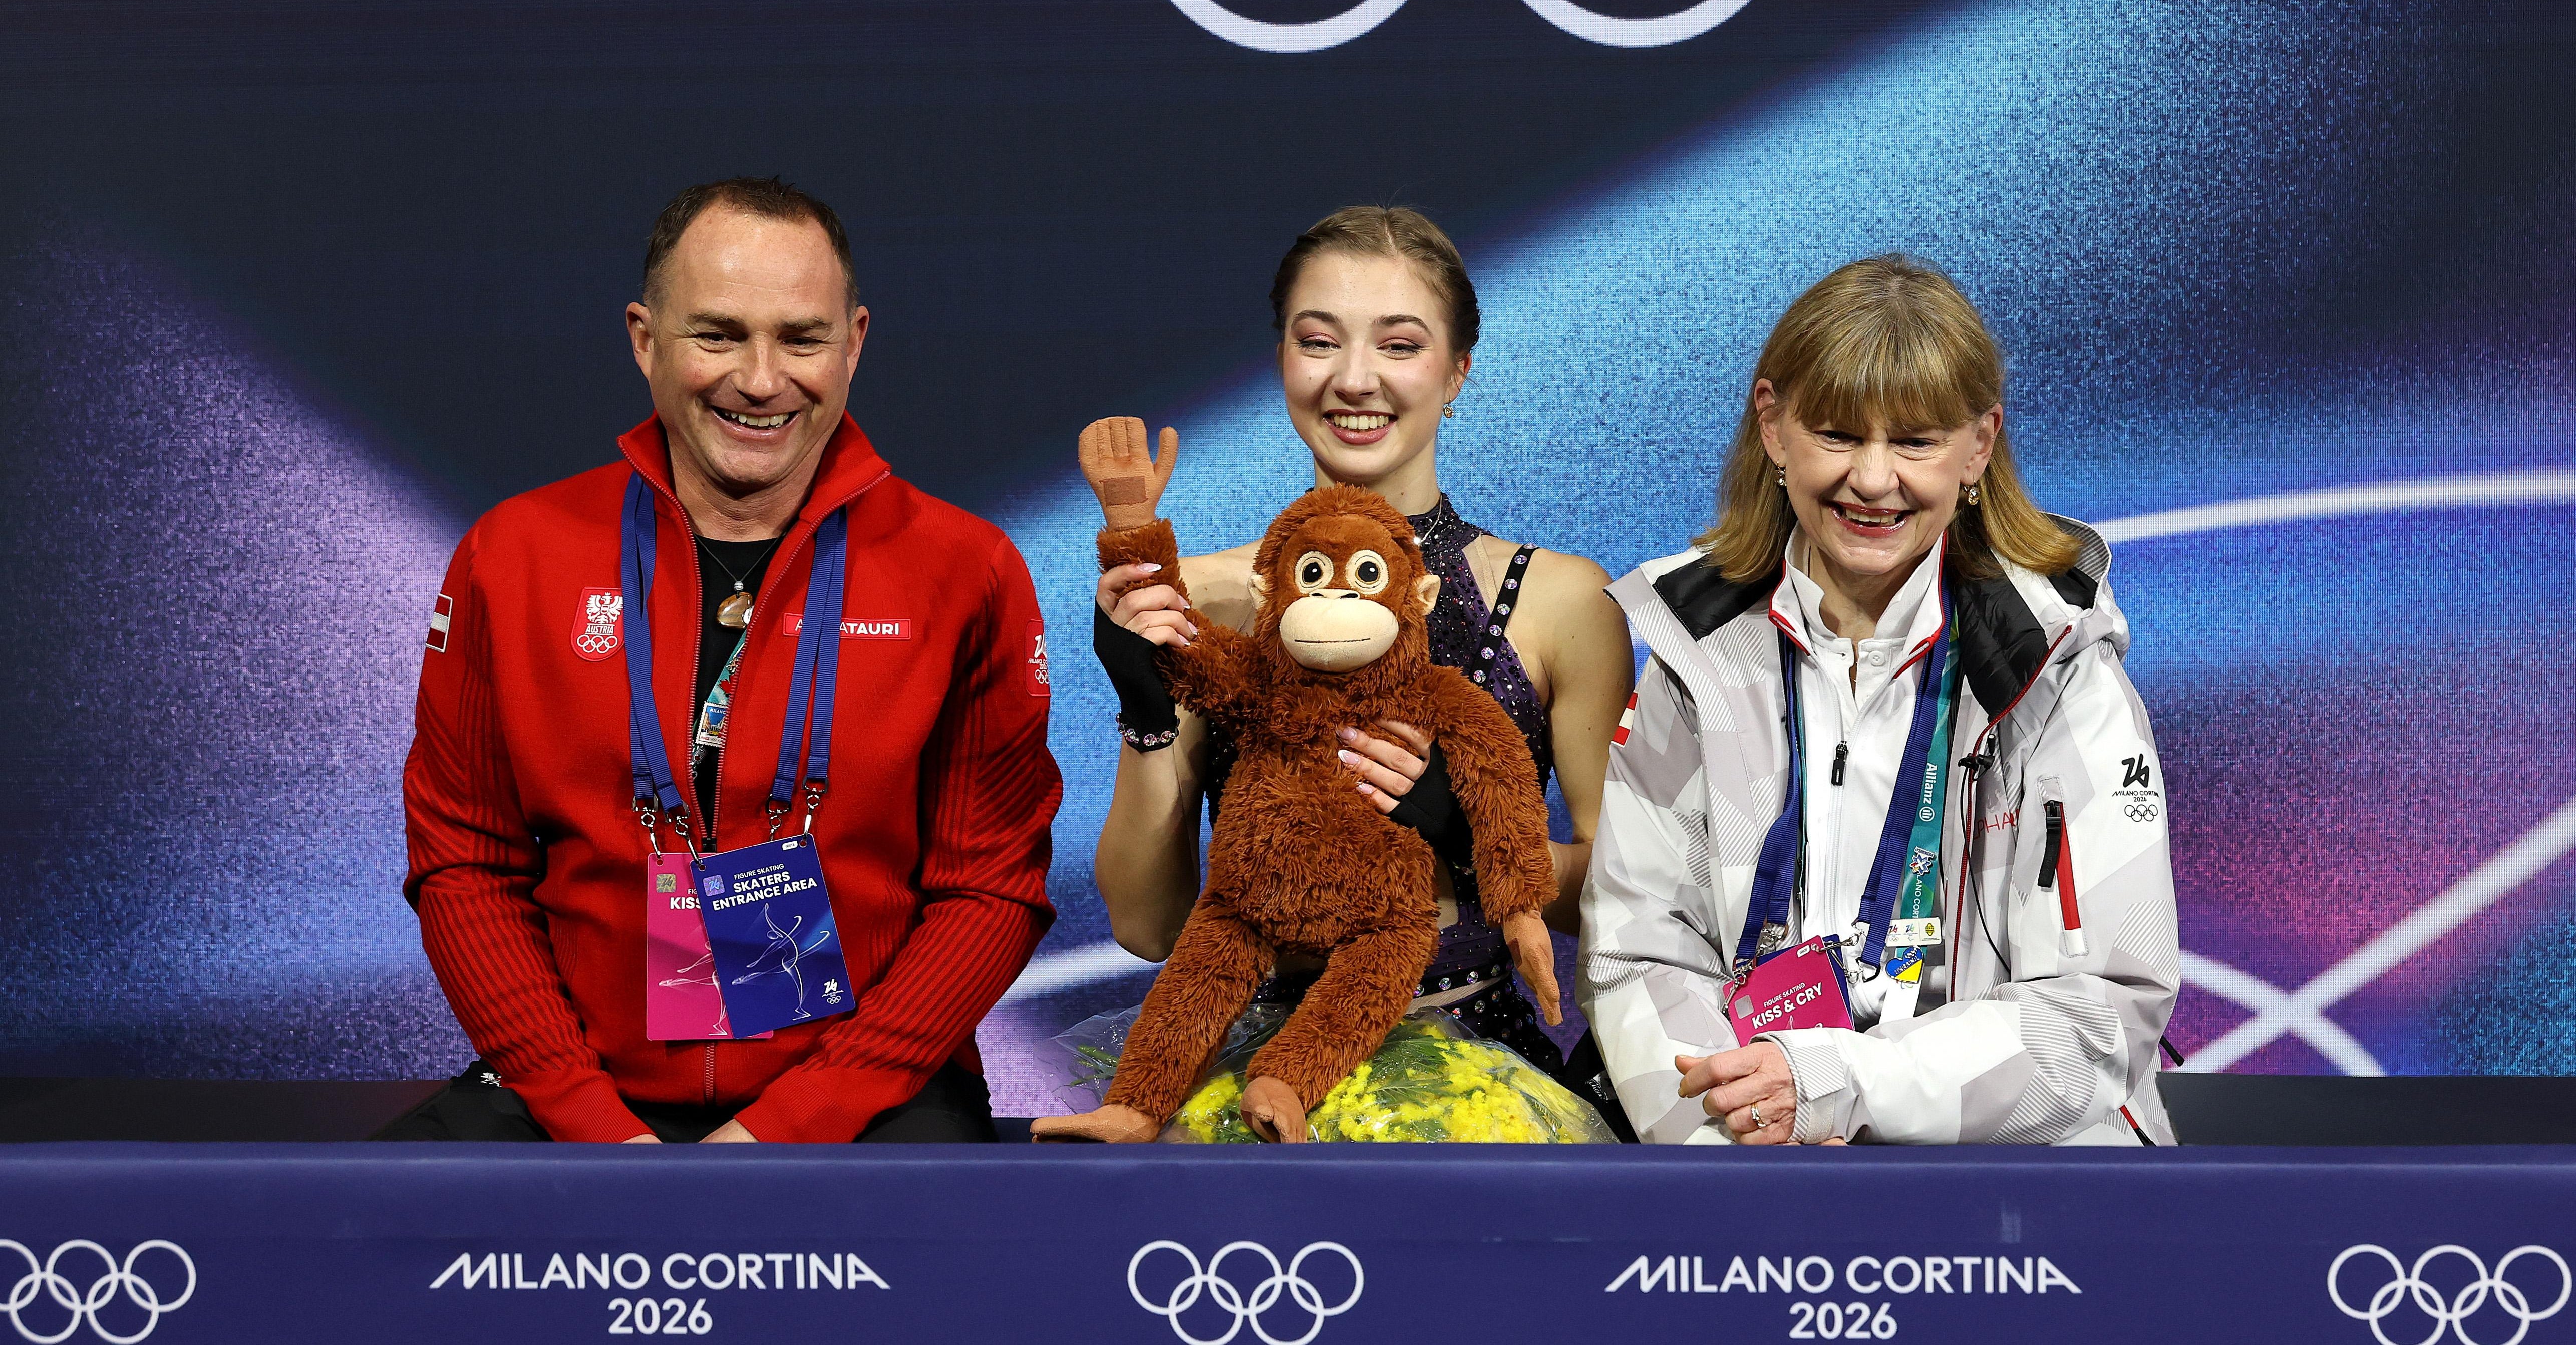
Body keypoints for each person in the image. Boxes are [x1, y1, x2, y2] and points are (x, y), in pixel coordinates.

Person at [386, 177, 1061, 1143]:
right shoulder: (516, 554)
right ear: (643, 338)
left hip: (864, 1095)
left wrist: (791, 1126)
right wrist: (589, 1121)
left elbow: (990, 888)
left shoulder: (964, 569)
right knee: (367, 1253)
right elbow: (466, 861)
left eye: (801, 338)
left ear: (855, 342)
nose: (760, 379)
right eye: (717, 334)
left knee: (935, 1278)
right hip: (577, 1090)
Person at [1581, 254, 2178, 1146]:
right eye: (1836, 435)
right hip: (1748, 1174)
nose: (1871, 479)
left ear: (1978, 446)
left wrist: (1836, 1086)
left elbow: (2097, 1015)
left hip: (2016, 1194)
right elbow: (1639, 956)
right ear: (1773, 426)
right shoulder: (1691, 655)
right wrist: (1731, 1137)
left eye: (1914, 441)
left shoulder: (2057, 666)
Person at [1092, 206, 1634, 1092]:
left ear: (1457, 371)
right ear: (1280, 360)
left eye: (1398, 346)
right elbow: (1149, 928)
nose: (1353, 380)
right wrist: (1145, 709)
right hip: (1248, 1067)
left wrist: (1463, 829)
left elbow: (1630, 889)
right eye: (1318, 341)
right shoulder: (1208, 596)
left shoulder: (1558, 599)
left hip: (1486, 1080)